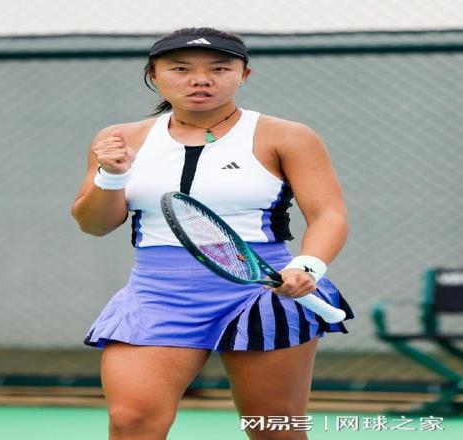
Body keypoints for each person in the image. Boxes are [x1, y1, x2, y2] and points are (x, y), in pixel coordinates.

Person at [71, 27, 354, 440]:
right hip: (157, 294)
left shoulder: (288, 136)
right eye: (181, 69)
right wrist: (112, 177)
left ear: (244, 75)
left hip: (262, 294)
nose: (200, 80)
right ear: (154, 75)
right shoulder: (119, 139)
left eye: (219, 69)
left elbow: (329, 214)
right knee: (131, 420)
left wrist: (307, 266)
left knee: (273, 426)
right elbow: (94, 224)